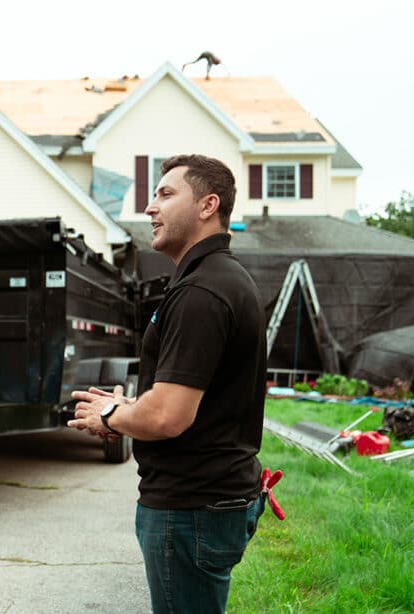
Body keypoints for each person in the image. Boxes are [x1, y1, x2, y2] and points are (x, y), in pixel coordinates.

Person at [68, 154, 268, 613]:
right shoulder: (213, 280)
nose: (150, 208)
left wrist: (112, 413)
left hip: (191, 508)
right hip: (208, 502)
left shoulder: (203, 291)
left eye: (165, 194)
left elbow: (168, 416)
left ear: (208, 205)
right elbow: (190, 398)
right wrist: (124, 417)